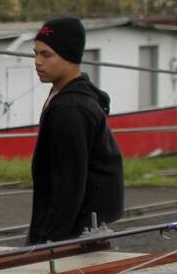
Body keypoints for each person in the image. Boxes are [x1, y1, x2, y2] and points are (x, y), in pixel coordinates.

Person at [27, 16, 124, 244]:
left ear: (70, 57)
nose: (37, 62)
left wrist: (49, 242)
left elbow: (70, 184)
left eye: (46, 55)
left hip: (76, 230)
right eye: (36, 53)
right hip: (77, 224)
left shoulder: (71, 109)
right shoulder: (64, 94)